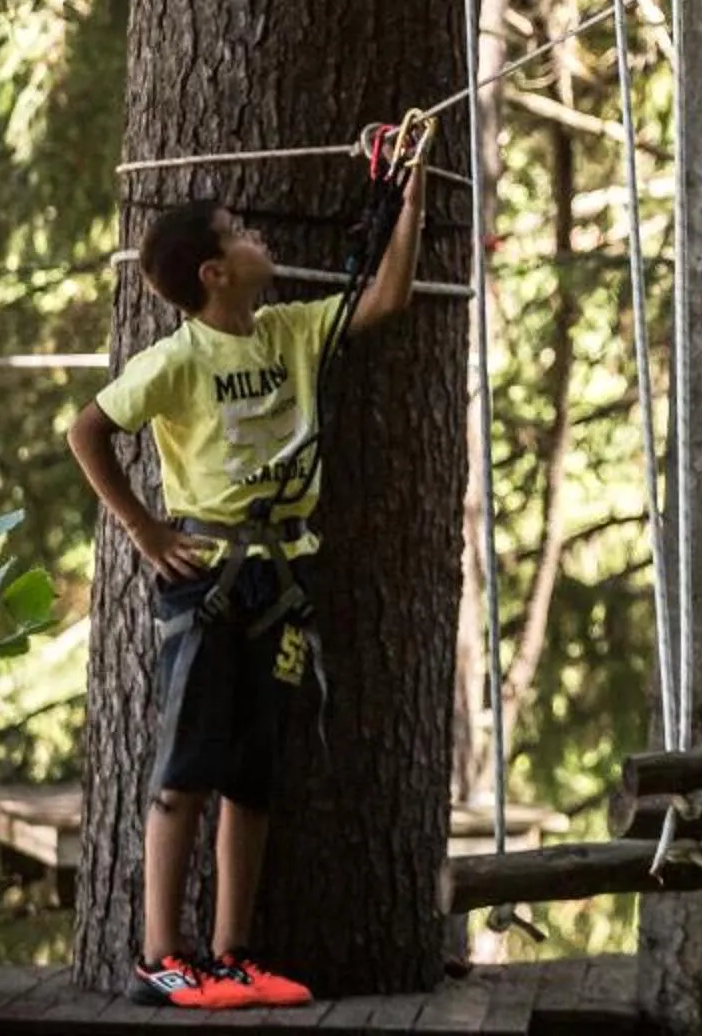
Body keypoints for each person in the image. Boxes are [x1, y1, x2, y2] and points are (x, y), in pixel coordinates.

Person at [67, 152, 429, 1010]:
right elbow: (88, 430)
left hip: (280, 580)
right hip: (206, 580)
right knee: (185, 766)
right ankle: (161, 955)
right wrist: (144, 527)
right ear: (215, 272)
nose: (260, 235)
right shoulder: (176, 361)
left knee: (255, 771)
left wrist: (409, 199)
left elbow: (386, 297)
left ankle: (232, 953)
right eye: (241, 232)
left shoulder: (291, 331)